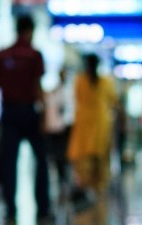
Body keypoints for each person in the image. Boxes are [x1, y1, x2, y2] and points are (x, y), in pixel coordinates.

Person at [0, 14, 51, 224]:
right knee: (41, 161)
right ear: (30, 31)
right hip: (30, 111)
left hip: (9, 112)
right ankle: (42, 209)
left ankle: (10, 209)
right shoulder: (35, 56)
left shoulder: (2, 55)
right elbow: (38, 86)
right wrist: (44, 115)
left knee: (9, 162)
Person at [66, 53, 118, 204]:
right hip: (98, 126)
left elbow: (77, 99)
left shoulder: (81, 81)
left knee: (87, 161)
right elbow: (114, 102)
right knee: (98, 161)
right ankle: (97, 192)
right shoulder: (104, 82)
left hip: (87, 126)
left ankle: (90, 191)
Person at [44, 68, 73, 199]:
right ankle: (61, 180)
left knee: (62, 157)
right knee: (54, 157)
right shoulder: (54, 92)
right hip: (53, 129)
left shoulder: (67, 92)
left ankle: (64, 181)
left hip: (62, 129)